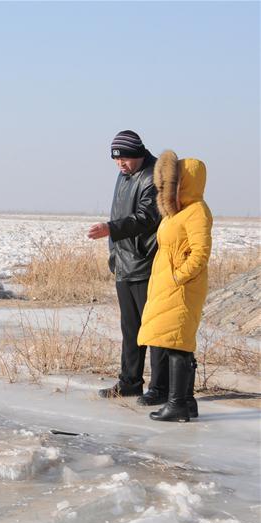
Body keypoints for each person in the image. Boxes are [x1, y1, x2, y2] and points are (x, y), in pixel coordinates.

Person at [88, 130, 165, 399]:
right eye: (116, 159)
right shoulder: (124, 176)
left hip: (145, 264)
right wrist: (114, 252)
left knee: (153, 329)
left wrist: (110, 229)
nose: (120, 164)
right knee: (130, 328)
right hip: (123, 263)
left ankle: (160, 388)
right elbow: (119, 213)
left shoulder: (154, 176)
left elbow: (146, 217)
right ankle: (130, 382)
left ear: (139, 153)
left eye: (125, 158)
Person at [137, 151, 213, 422]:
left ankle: (177, 404)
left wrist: (179, 277)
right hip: (168, 285)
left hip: (182, 287)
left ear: (187, 181)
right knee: (176, 343)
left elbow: (200, 253)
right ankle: (187, 403)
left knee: (177, 345)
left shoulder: (197, 211)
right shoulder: (176, 212)